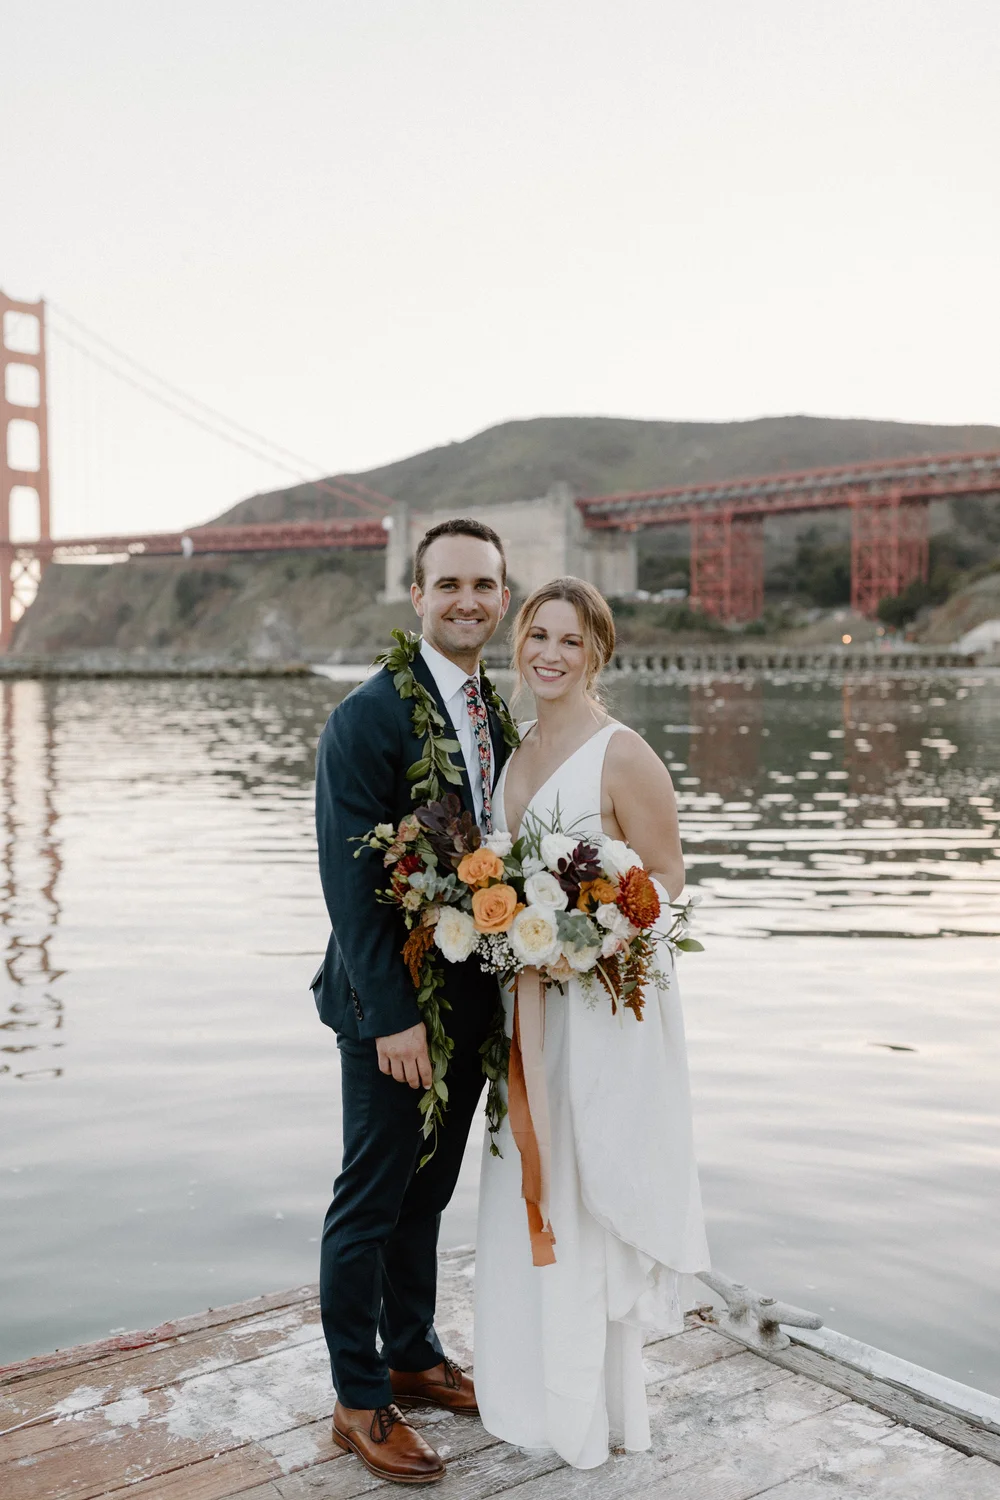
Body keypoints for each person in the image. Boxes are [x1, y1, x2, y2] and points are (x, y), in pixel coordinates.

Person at [473, 576, 710, 1469]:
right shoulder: (516, 748)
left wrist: (589, 938)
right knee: (522, 1183)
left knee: (578, 1186)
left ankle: (586, 1408)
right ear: (519, 641)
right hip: (525, 1012)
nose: (550, 654)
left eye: (570, 641)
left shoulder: (623, 754)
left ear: (597, 652)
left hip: (600, 1010)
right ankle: (522, 1393)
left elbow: (668, 884)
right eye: (538, 635)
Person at [312, 518, 512, 1485]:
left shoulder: (492, 712)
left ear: (502, 599)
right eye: (449, 585)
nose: (466, 600)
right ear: (417, 596)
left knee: (427, 1194)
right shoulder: (369, 716)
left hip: (471, 996)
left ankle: (414, 1352)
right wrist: (394, 1015)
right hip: (390, 1007)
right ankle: (359, 1399)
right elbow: (349, 887)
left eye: (484, 585)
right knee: (371, 1196)